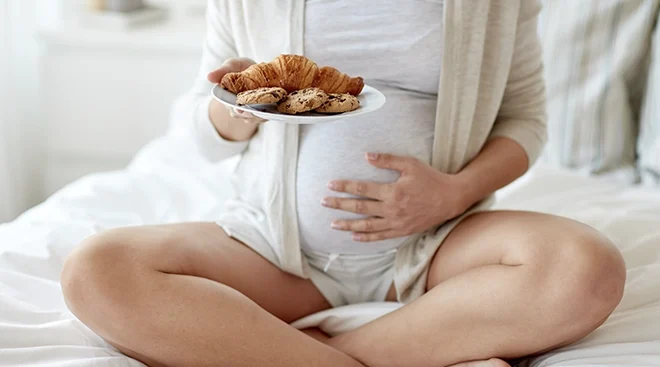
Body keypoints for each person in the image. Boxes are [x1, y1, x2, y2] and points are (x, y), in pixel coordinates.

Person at [60, 1, 627, 366]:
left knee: (586, 267)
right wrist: (236, 107)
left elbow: (525, 119)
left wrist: (451, 193)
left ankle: (316, 356)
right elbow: (203, 133)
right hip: (273, 251)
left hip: (433, 249)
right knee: (96, 271)